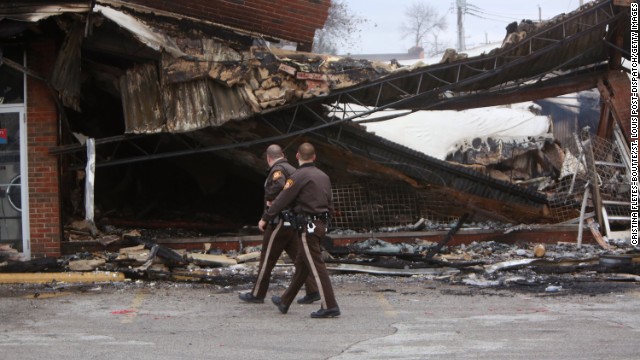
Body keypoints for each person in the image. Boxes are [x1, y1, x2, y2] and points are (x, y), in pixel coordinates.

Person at [259, 142, 340, 318]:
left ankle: (330, 305)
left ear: (297, 156)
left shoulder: (298, 176)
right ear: (315, 156)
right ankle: (285, 301)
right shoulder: (323, 176)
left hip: (308, 226)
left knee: (316, 267)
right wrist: (326, 224)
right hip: (320, 225)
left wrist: (266, 217)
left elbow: (282, 199)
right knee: (302, 266)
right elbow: (330, 204)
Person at [239, 144, 320, 304]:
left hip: (279, 222)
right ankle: (313, 290)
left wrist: (268, 210)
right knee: (300, 260)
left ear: (268, 158)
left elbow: (279, 187)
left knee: (267, 259)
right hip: (292, 223)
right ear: (282, 154)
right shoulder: (292, 169)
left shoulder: (278, 171)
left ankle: (257, 294)